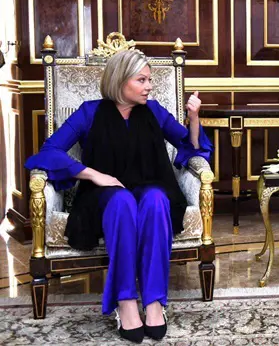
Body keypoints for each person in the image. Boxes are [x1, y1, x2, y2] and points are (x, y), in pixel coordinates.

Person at [25, 49, 212, 343]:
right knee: (122, 202)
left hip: (151, 187)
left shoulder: (154, 111)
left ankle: (154, 302)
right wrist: (92, 174)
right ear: (120, 80)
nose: (149, 86)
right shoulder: (89, 112)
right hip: (103, 196)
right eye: (142, 80)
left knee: (156, 202)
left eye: (150, 79)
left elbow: (191, 145)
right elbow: (50, 151)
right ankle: (125, 302)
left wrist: (194, 117)